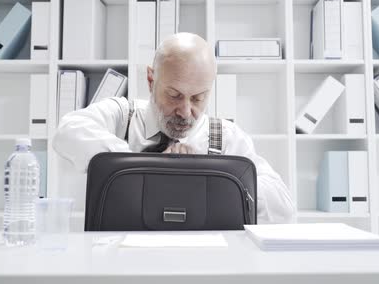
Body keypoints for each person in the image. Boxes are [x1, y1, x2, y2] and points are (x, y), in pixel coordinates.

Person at [53, 32, 295, 223]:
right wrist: (146, 167)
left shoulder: (227, 137)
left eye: (198, 98)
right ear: (151, 80)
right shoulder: (122, 116)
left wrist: (211, 177)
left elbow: (283, 209)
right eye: (174, 95)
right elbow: (68, 130)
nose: (186, 111)